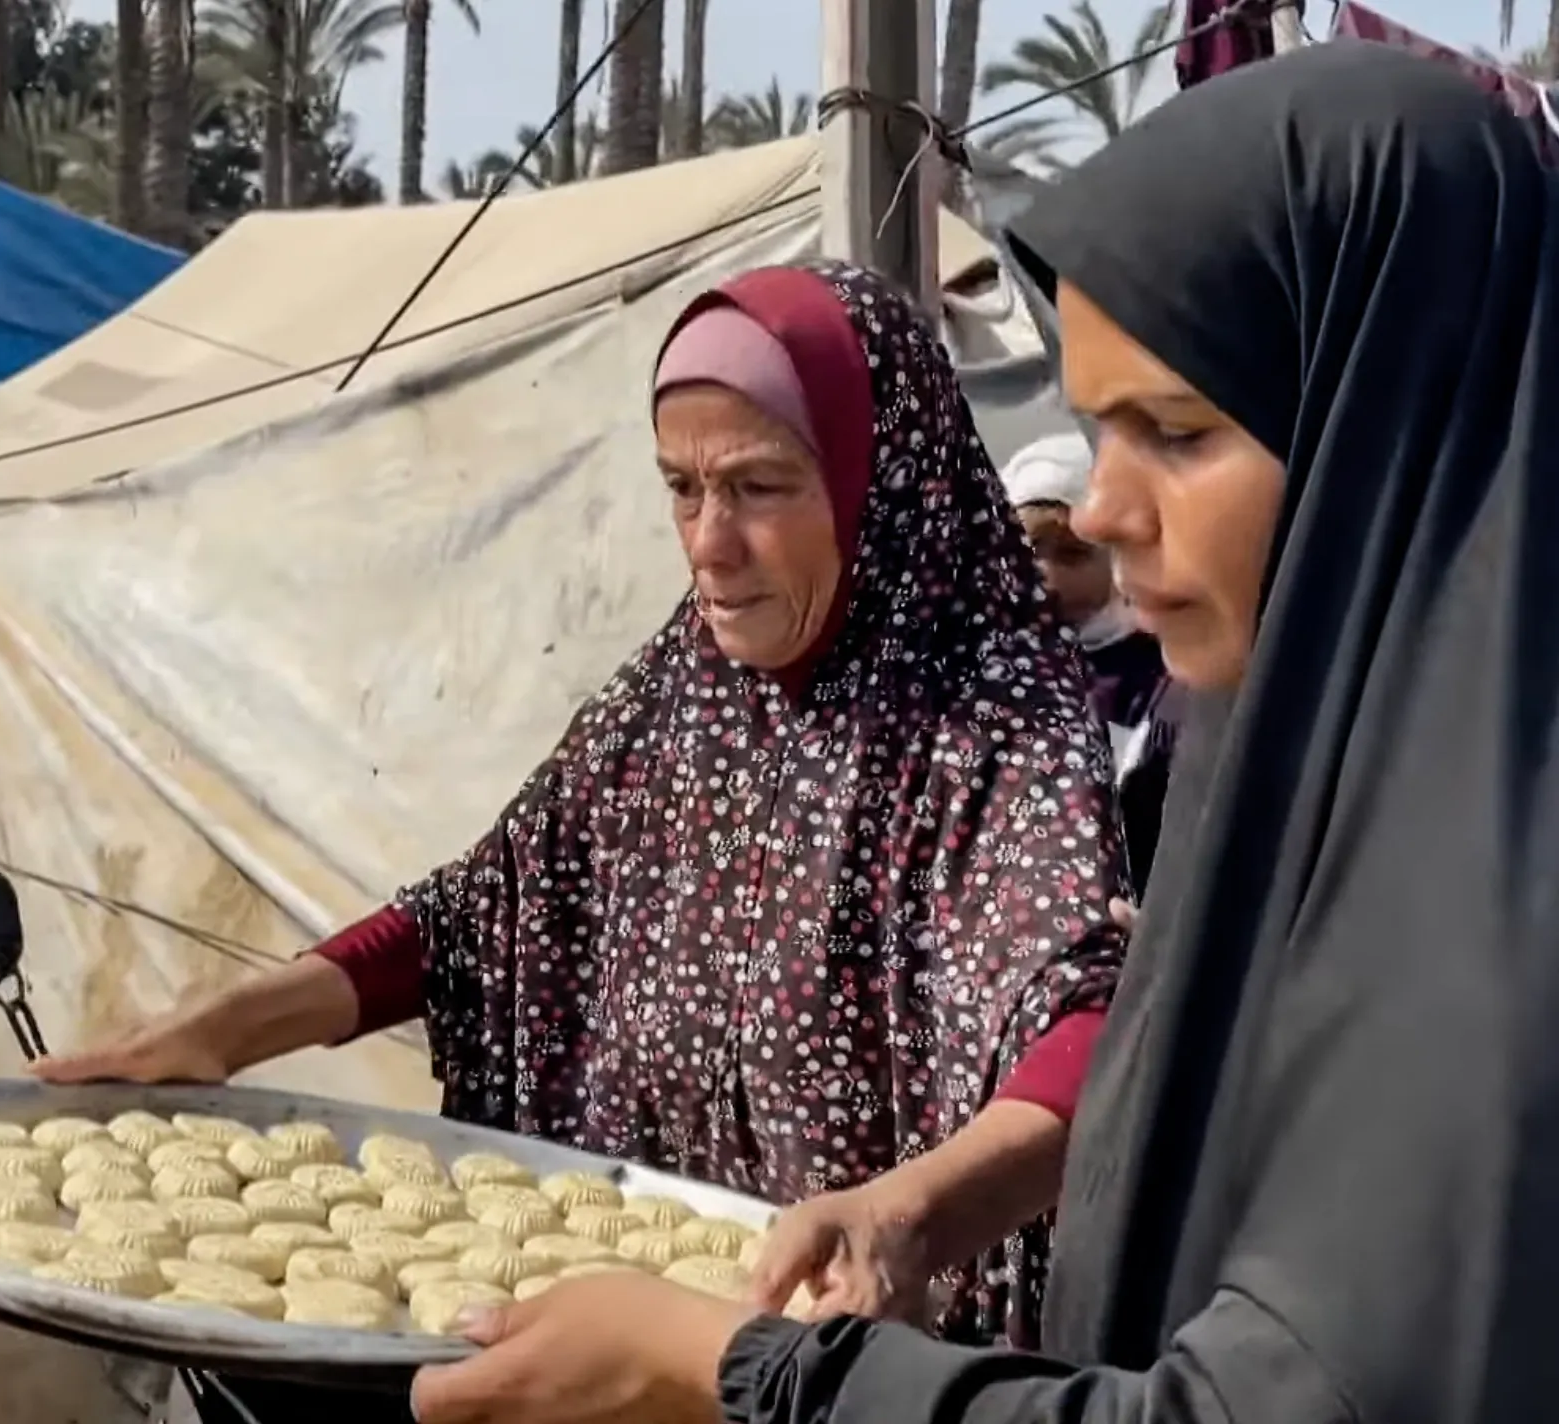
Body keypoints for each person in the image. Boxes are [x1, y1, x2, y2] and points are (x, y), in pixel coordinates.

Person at [404, 41, 1559, 1424]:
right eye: (1098, 429)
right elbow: (498, 891)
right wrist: (911, 1217)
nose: (1102, 510)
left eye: (1178, 432)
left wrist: (730, 1364)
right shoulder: (1280, 788)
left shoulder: (1471, 935)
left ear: (1398, 430)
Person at [40, 260, 1129, 1349]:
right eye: (681, 488)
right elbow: (489, 908)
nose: (708, 543)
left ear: (879, 483)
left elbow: (1089, 1019)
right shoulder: (684, 695)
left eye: (758, 488)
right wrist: (224, 1030)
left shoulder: (993, 723)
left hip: (854, 1354)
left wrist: (909, 1215)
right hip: (634, 1338)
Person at [1000, 433, 1176, 894]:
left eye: (1073, 554)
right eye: (1028, 549)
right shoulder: (991, 664)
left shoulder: (1160, 673)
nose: (1044, 572)